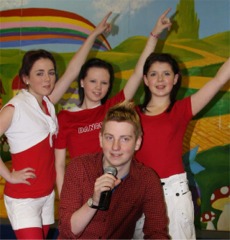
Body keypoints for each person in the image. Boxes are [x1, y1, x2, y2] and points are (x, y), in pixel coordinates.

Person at [0, 12, 112, 239]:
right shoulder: (15, 108)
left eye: (51, 73)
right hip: (24, 197)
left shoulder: (47, 104)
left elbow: (72, 71)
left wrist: (93, 36)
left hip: (46, 196)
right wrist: (9, 176)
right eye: (39, 73)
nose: (47, 79)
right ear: (26, 77)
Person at [55, 8, 172, 197]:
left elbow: (137, 73)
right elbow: (59, 165)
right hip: (81, 192)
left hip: (116, 190)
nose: (98, 87)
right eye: (93, 81)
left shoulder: (113, 108)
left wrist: (154, 34)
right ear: (82, 82)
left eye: (104, 82)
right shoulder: (65, 117)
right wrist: (65, 200)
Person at [135, 53, 230, 239]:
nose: (160, 79)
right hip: (140, 192)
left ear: (176, 78)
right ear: (145, 79)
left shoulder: (182, 109)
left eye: (166, 74)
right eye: (153, 74)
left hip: (173, 193)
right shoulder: (132, 114)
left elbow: (219, 80)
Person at [58, 101, 169, 239]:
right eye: (109, 138)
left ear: (138, 142)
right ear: (100, 139)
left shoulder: (147, 180)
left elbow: (157, 233)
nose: (115, 147)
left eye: (124, 139)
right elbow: (67, 230)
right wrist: (94, 201)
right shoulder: (79, 167)